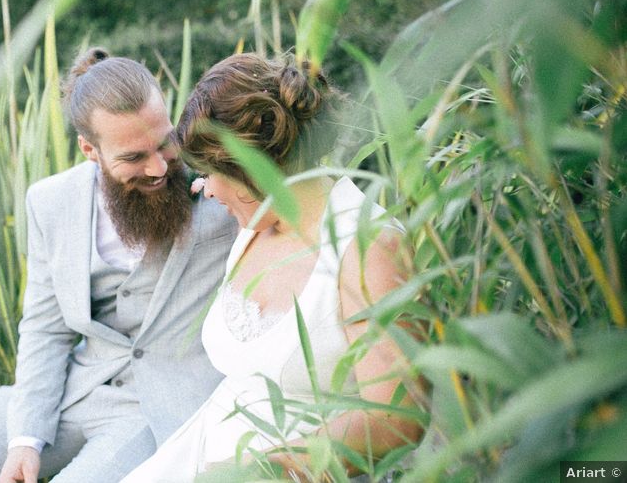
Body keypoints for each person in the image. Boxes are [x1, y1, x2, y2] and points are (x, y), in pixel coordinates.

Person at [0, 48, 238, 483]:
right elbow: (46, 328)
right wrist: (25, 438)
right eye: (134, 157)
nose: (158, 168)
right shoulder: (50, 202)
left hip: (160, 405)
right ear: (89, 150)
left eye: (164, 143)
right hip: (76, 388)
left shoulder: (217, 188)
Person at [121, 53, 424, 482]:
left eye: (209, 173)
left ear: (251, 170)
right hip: (199, 452)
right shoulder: (252, 227)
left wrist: (258, 469)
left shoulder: (369, 245)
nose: (201, 188)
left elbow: (398, 418)